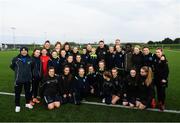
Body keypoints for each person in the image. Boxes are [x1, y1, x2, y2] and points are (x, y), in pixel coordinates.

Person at [10, 47, 33, 112]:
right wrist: (18, 72)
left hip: (27, 79)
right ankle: (17, 105)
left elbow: (32, 67)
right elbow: (12, 67)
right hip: (18, 79)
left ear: (27, 51)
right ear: (20, 51)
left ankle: (27, 103)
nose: (24, 51)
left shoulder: (30, 59)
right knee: (17, 93)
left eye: (25, 50)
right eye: (22, 50)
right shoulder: (15, 59)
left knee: (27, 92)